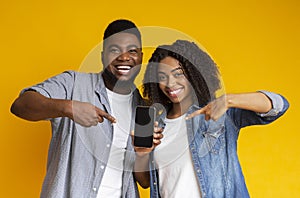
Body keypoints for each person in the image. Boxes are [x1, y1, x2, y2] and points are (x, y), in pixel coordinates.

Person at [11, 19, 148, 198]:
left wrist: (143, 153)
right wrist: (69, 108)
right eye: (114, 50)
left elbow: (144, 181)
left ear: (141, 57)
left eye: (132, 50)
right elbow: (21, 105)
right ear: (102, 56)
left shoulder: (144, 108)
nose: (124, 57)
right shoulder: (73, 83)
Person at [136, 40, 289, 197]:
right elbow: (146, 182)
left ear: (194, 73)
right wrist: (142, 154)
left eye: (178, 74)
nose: (170, 83)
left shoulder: (219, 113)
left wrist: (228, 100)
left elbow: (278, 106)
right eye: (162, 76)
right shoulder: (157, 124)